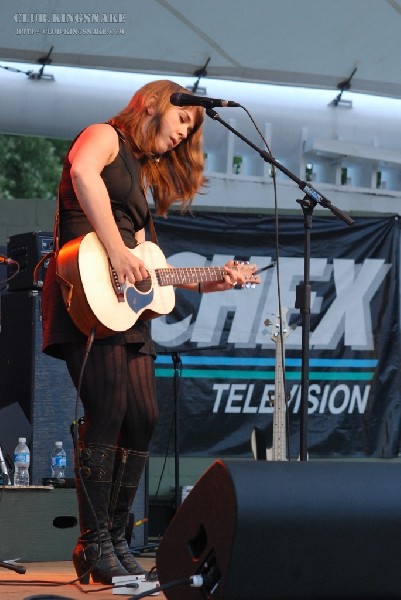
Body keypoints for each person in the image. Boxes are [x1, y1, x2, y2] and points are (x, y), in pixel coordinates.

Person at [41, 79, 246, 585]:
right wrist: (114, 248)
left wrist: (210, 281)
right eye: (183, 121)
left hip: (122, 306)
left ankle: (114, 538)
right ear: (155, 104)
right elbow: (83, 173)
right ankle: (93, 545)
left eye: (191, 130)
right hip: (82, 288)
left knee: (144, 417)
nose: (183, 134)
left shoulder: (140, 169)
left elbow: (149, 272)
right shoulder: (103, 135)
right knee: (108, 408)